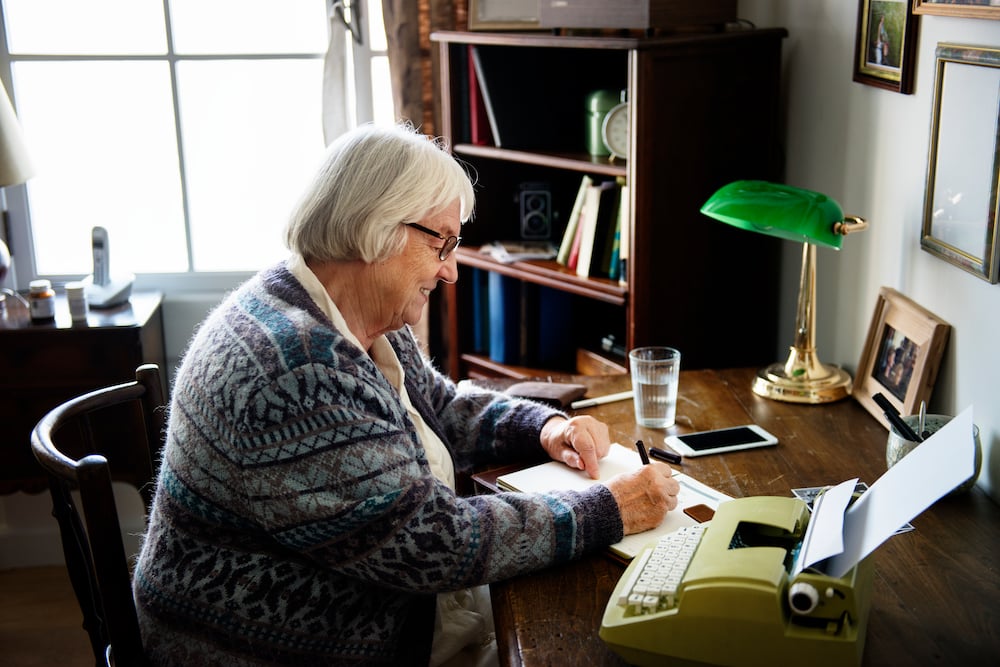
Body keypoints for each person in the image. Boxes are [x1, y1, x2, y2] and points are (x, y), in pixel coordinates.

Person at [132, 122, 680, 667]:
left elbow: (439, 408)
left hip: (367, 611)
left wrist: (542, 427)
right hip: (271, 647)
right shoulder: (297, 371)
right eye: (441, 242)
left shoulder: (346, 309)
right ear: (378, 228)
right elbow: (430, 543)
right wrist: (609, 508)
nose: (451, 271)